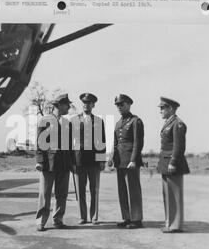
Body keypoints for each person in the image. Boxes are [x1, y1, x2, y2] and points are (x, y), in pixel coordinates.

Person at [35, 94, 73, 231]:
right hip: (48, 163)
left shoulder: (67, 123)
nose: (69, 107)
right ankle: (41, 221)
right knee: (45, 194)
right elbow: (39, 143)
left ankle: (58, 220)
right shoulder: (45, 120)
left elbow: (70, 146)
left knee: (62, 194)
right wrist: (39, 161)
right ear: (58, 105)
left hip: (64, 164)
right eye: (66, 104)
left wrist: (72, 163)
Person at [108, 94, 144, 229]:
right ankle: (127, 217)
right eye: (117, 105)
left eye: (121, 104)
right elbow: (116, 143)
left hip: (130, 161)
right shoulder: (118, 123)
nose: (119, 107)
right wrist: (111, 158)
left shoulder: (136, 121)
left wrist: (134, 160)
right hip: (120, 161)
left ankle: (137, 219)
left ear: (129, 104)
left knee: (133, 190)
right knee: (122, 191)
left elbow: (138, 143)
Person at [70, 93, 106, 225]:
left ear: (93, 105)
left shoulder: (98, 121)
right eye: (84, 103)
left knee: (94, 190)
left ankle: (94, 217)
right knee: (80, 191)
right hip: (78, 161)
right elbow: (69, 143)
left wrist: (102, 160)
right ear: (82, 104)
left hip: (94, 162)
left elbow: (102, 142)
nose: (86, 105)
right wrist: (71, 162)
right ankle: (82, 216)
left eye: (89, 103)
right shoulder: (74, 120)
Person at [157, 97, 190, 233]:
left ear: (171, 108)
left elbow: (179, 146)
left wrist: (173, 162)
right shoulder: (169, 123)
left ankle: (175, 225)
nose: (160, 111)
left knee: (174, 195)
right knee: (167, 195)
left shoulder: (178, 124)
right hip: (166, 162)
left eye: (162, 108)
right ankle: (169, 222)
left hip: (172, 163)